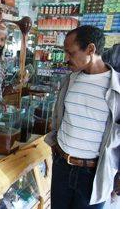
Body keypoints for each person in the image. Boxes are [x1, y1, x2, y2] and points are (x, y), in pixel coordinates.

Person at [45, 26, 120, 209]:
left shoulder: (118, 88)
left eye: (71, 53)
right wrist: (55, 144)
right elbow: (59, 116)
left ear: (91, 49)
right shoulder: (70, 80)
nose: (66, 58)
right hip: (62, 166)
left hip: (92, 174)